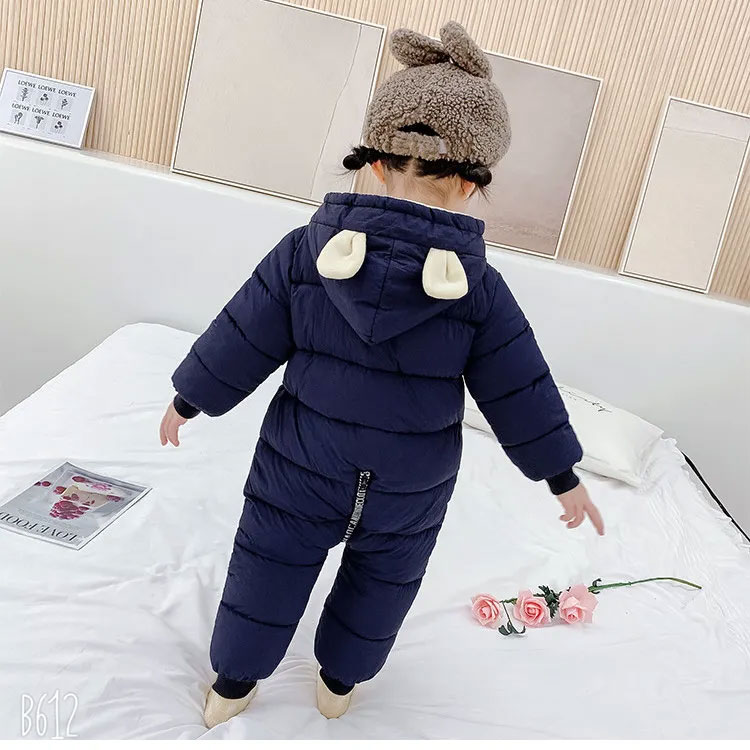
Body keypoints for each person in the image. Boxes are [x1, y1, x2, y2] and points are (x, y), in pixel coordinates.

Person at [160, 20, 604, 728]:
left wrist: (190, 398)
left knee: (268, 563)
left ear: (373, 164)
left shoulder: (305, 252)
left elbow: (244, 332)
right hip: (410, 482)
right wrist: (560, 475)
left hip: (300, 462)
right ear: (471, 184)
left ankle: (233, 685)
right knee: (384, 581)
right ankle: (340, 684)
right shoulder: (480, 289)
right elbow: (519, 387)